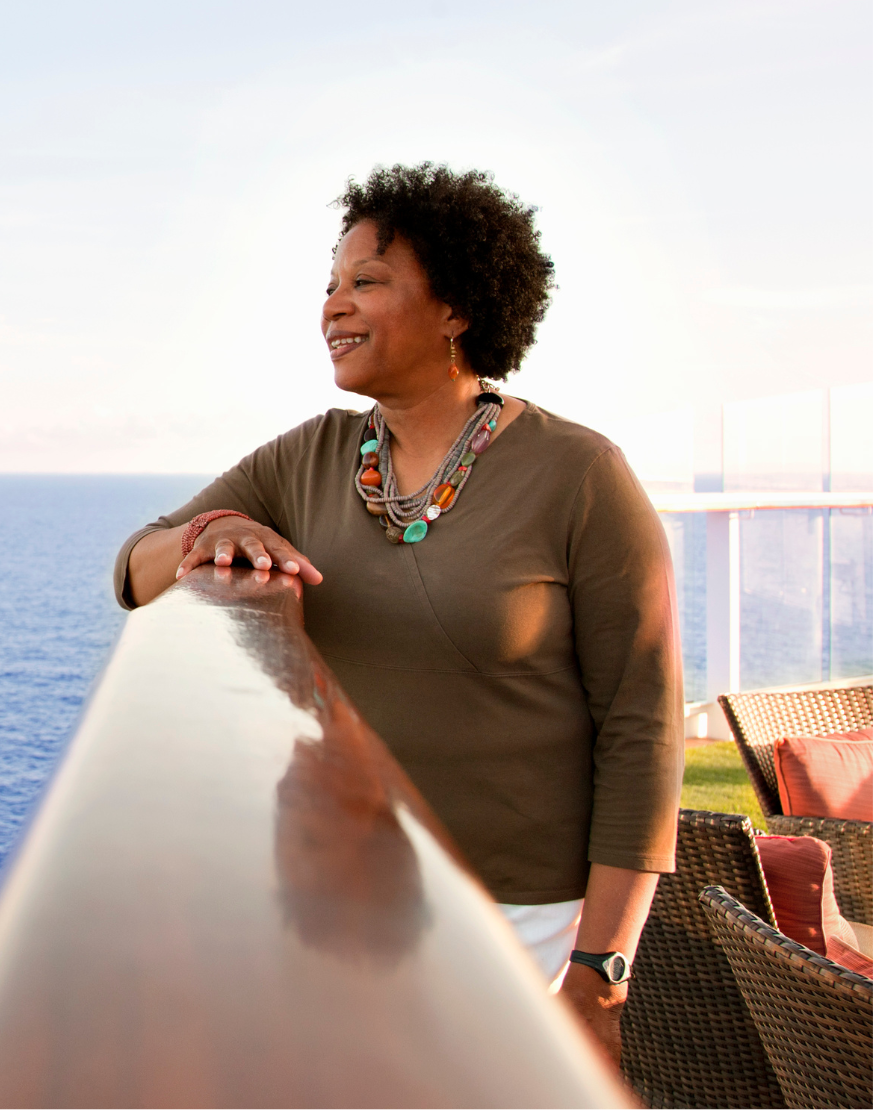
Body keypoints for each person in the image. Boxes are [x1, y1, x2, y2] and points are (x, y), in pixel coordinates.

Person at [114, 163, 683, 1062]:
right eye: (330, 286)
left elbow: (643, 730)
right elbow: (136, 565)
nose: (333, 306)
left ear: (457, 308)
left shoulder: (579, 475)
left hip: (517, 913)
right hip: (334, 888)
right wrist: (214, 529)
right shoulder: (313, 455)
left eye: (366, 282)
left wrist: (601, 973)